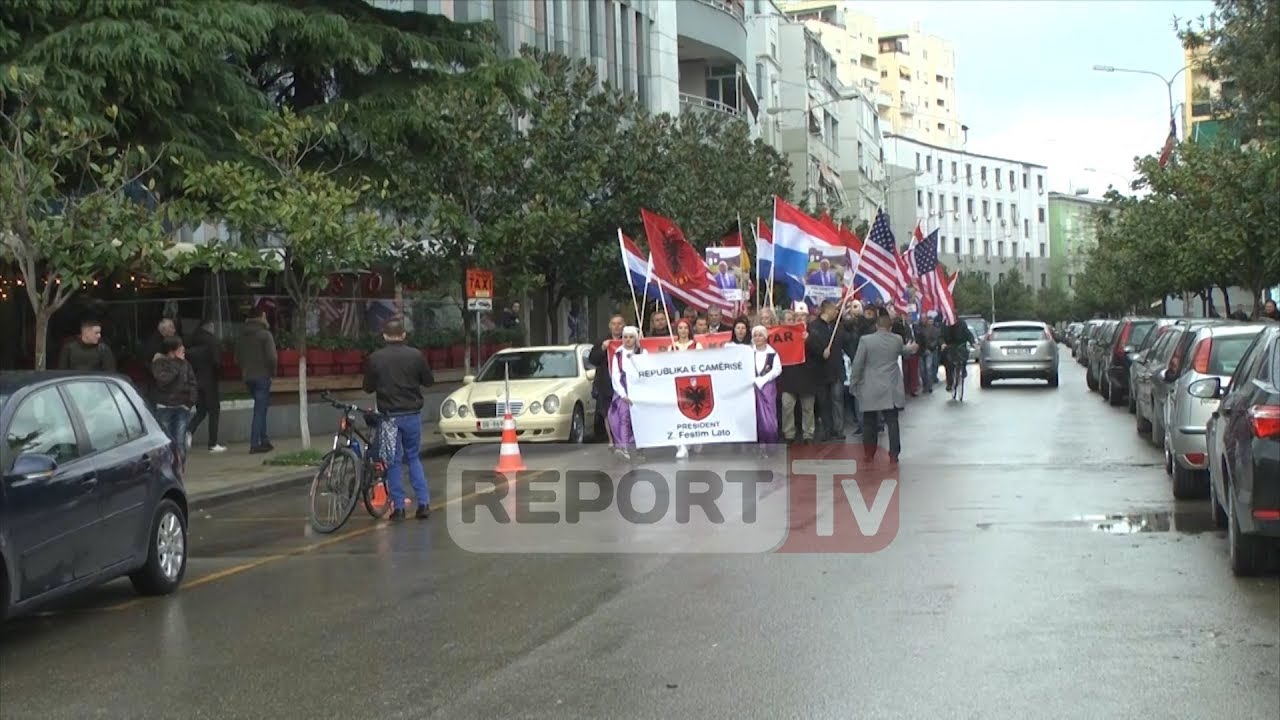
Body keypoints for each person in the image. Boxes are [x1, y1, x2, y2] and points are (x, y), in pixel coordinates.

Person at [363, 320, 435, 521]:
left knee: (392, 462)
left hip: (389, 418)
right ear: (403, 335)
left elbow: (367, 387)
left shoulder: (375, 358)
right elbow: (429, 381)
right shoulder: (416, 355)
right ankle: (423, 503)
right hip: (412, 415)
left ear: (384, 336)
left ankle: (399, 508)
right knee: (413, 457)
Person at [850, 314, 919, 463]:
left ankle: (869, 453)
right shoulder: (897, 339)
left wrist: (853, 382)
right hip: (890, 386)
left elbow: (858, 363)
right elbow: (904, 351)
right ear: (891, 327)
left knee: (869, 421)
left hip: (870, 385)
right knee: (892, 421)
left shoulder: (865, 340)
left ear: (876, 326)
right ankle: (894, 453)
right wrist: (912, 348)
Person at [151, 336, 198, 474]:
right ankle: (166, 469)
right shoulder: (160, 363)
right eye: (179, 347)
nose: (183, 349)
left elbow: (192, 383)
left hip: (182, 407)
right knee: (166, 441)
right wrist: (176, 363)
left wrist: (190, 401)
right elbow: (164, 381)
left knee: (179, 440)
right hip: (165, 407)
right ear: (171, 351)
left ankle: (178, 469)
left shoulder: (186, 364)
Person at [235, 310, 277, 454]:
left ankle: (264, 440)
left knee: (261, 408)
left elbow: (237, 358)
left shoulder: (242, 336)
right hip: (262, 376)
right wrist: (272, 372)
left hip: (248, 377)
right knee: (260, 410)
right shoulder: (265, 335)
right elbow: (272, 357)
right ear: (261, 317)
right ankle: (255, 443)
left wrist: (245, 369)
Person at [807, 300, 847, 441]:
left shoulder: (838, 326)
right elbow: (810, 346)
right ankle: (827, 429)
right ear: (827, 310)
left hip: (836, 369)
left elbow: (845, 343)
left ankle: (839, 429)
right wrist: (820, 353)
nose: (837, 312)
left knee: (837, 400)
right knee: (823, 402)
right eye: (834, 309)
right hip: (820, 370)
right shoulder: (813, 327)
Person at [185, 319, 226, 453]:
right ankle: (212, 443)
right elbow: (217, 363)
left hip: (195, 381)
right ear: (209, 328)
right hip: (210, 381)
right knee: (214, 411)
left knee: (201, 410)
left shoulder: (191, 341)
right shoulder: (213, 342)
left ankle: (188, 431)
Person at [589, 314, 625, 444]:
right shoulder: (602, 341)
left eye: (619, 324)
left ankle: (624, 438)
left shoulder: (628, 339)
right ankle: (612, 440)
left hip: (624, 383)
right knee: (608, 413)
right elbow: (592, 360)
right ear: (610, 326)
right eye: (614, 324)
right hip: (606, 383)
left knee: (623, 412)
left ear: (623, 325)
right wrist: (602, 349)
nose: (616, 326)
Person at [609, 326, 644, 460]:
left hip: (639, 390)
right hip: (624, 390)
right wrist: (623, 394)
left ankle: (640, 449)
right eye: (625, 337)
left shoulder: (642, 352)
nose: (628, 340)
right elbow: (615, 376)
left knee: (639, 420)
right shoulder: (618, 354)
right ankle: (624, 448)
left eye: (631, 337)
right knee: (624, 418)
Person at [669, 320, 701, 459]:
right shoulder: (672, 346)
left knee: (693, 413)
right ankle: (681, 445)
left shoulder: (696, 345)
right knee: (678, 414)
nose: (683, 330)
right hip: (677, 384)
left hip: (692, 384)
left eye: (685, 328)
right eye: (680, 328)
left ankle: (695, 439)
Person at [752, 325, 782, 447]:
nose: (757, 338)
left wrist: (764, 379)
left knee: (769, 415)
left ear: (765, 337)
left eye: (760, 335)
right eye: (755, 335)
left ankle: (771, 442)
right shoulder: (749, 353)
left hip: (767, 388)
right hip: (752, 388)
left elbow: (777, 369)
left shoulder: (772, 354)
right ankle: (758, 443)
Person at [941, 318, 976, 392]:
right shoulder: (945, 324)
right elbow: (941, 335)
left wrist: (972, 342)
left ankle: (963, 369)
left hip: (960, 344)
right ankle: (949, 383)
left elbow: (968, 333)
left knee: (964, 354)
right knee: (948, 364)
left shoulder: (962, 323)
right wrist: (942, 343)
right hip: (950, 345)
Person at [917, 314, 942, 393]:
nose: (923, 320)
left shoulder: (932, 329)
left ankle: (929, 385)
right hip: (921, 351)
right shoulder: (918, 328)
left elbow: (936, 339)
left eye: (924, 318)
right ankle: (925, 385)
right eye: (922, 318)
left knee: (928, 368)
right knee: (922, 370)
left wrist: (931, 347)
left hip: (929, 351)